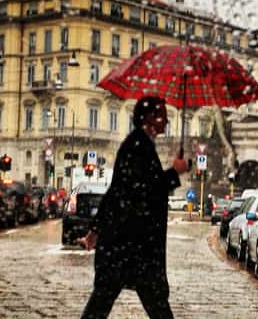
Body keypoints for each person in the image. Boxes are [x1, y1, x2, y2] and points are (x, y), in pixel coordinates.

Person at [78, 96, 189, 319]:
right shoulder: (137, 145)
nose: (166, 122)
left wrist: (96, 229)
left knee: (107, 299)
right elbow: (143, 189)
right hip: (133, 244)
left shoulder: (138, 144)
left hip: (126, 244)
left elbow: (117, 191)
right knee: (146, 301)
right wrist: (174, 172)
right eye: (164, 117)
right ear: (150, 118)